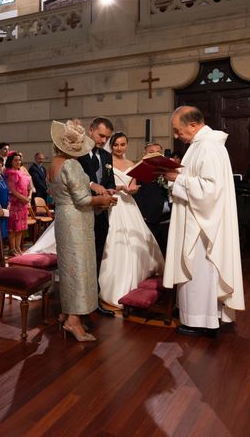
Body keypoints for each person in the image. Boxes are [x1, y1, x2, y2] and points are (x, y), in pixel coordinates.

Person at [161, 106, 245, 337]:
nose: (177, 136)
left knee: (200, 272)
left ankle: (201, 321)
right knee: (198, 274)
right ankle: (201, 316)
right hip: (197, 217)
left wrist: (177, 178)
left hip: (202, 224)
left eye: (178, 131)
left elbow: (211, 190)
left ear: (194, 125)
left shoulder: (208, 146)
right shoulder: (200, 145)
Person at [50, 120, 117, 342]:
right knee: (78, 271)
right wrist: (104, 199)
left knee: (70, 269)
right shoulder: (71, 165)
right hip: (76, 222)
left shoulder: (54, 163)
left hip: (63, 218)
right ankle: (73, 322)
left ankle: (68, 313)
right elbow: (82, 198)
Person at [98, 133, 164, 308]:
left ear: (127, 145)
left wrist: (133, 190)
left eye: (123, 145)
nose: (120, 148)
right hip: (114, 204)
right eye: (116, 145)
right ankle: (115, 284)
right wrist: (116, 189)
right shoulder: (106, 163)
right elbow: (103, 184)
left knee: (137, 242)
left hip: (129, 204)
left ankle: (137, 281)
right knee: (116, 241)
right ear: (111, 146)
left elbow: (133, 186)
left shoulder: (131, 164)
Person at [77, 116, 117, 317]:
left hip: (101, 215)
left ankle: (95, 299)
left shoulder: (107, 157)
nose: (103, 141)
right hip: (81, 213)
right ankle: (79, 302)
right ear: (90, 130)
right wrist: (93, 186)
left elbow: (108, 180)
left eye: (107, 138)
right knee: (82, 259)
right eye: (101, 135)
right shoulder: (78, 153)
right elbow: (73, 181)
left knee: (97, 256)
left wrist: (112, 190)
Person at [133, 142, 172, 254]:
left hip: (169, 217)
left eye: (158, 152)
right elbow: (138, 195)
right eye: (151, 152)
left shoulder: (169, 170)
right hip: (151, 218)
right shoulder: (140, 171)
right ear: (145, 154)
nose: (155, 155)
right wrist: (144, 216)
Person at [4, 151, 31, 256]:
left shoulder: (21, 172)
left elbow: (28, 187)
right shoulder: (10, 173)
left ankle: (18, 247)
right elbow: (12, 190)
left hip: (22, 203)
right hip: (14, 203)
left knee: (21, 227)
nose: (18, 162)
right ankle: (12, 249)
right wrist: (23, 198)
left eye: (19, 160)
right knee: (13, 227)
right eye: (15, 160)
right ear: (11, 161)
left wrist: (28, 197)